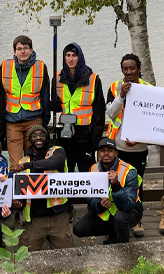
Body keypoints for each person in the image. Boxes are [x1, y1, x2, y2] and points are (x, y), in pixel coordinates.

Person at [51, 42, 105, 221]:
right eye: (67, 56)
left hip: (85, 135)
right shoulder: (57, 78)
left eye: (74, 56)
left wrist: (96, 138)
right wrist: (53, 105)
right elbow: (56, 103)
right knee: (65, 173)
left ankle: (92, 206)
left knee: (86, 173)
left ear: (79, 57)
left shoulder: (93, 78)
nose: (71, 59)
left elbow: (99, 111)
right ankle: (67, 206)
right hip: (65, 135)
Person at [106, 53, 152, 237]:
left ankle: (136, 219)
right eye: (125, 69)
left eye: (132, 68)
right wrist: (121, 96)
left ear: (139, 69)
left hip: (139, 148)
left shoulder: (148, 89)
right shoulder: (114, 87)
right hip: (119, 147)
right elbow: (110, 113)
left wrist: (140, 139)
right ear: (122, 69)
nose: (129, 72)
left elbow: (152, 121)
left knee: (137, 183)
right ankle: (118, 218)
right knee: (118, 183)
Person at [13, 125, 74, 251]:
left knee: (69, 256)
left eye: (42, 134)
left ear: (46, 137)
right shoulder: (23, 161)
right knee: (24, 258)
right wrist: (18, 203)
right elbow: (21, 192)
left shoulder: (57, 151)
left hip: (58, 216)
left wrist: (27, 165)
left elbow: (55, 163)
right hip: (35, 219)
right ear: (30, 139)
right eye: (34, 135)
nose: (38, 137)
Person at [73, 138, 143, 244]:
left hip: (130, 211)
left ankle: (123, 247)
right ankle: (115, 233)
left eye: (110, 151)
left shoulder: (129, 171)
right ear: (98, 153)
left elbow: (127, 206)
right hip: (106, 210)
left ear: (116, 153)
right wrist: (99, 205)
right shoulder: (93, 168)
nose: (106, 153)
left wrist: (116, 185)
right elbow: (90, 198)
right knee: (78, 229)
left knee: (120, 218)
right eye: (102, 150)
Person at [0, 35, 50, 170]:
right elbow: (0, 96)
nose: (23, 51)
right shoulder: (5, 66)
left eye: (26, 48)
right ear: (14, 51)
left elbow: (45, 96)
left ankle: (34, 190)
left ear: (31, 50)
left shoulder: (40, 66)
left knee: (34, 161)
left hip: (34, 121)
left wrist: (44, 123)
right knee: (15, 165)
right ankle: (17, 189)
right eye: (19, 48)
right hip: (12, 122)